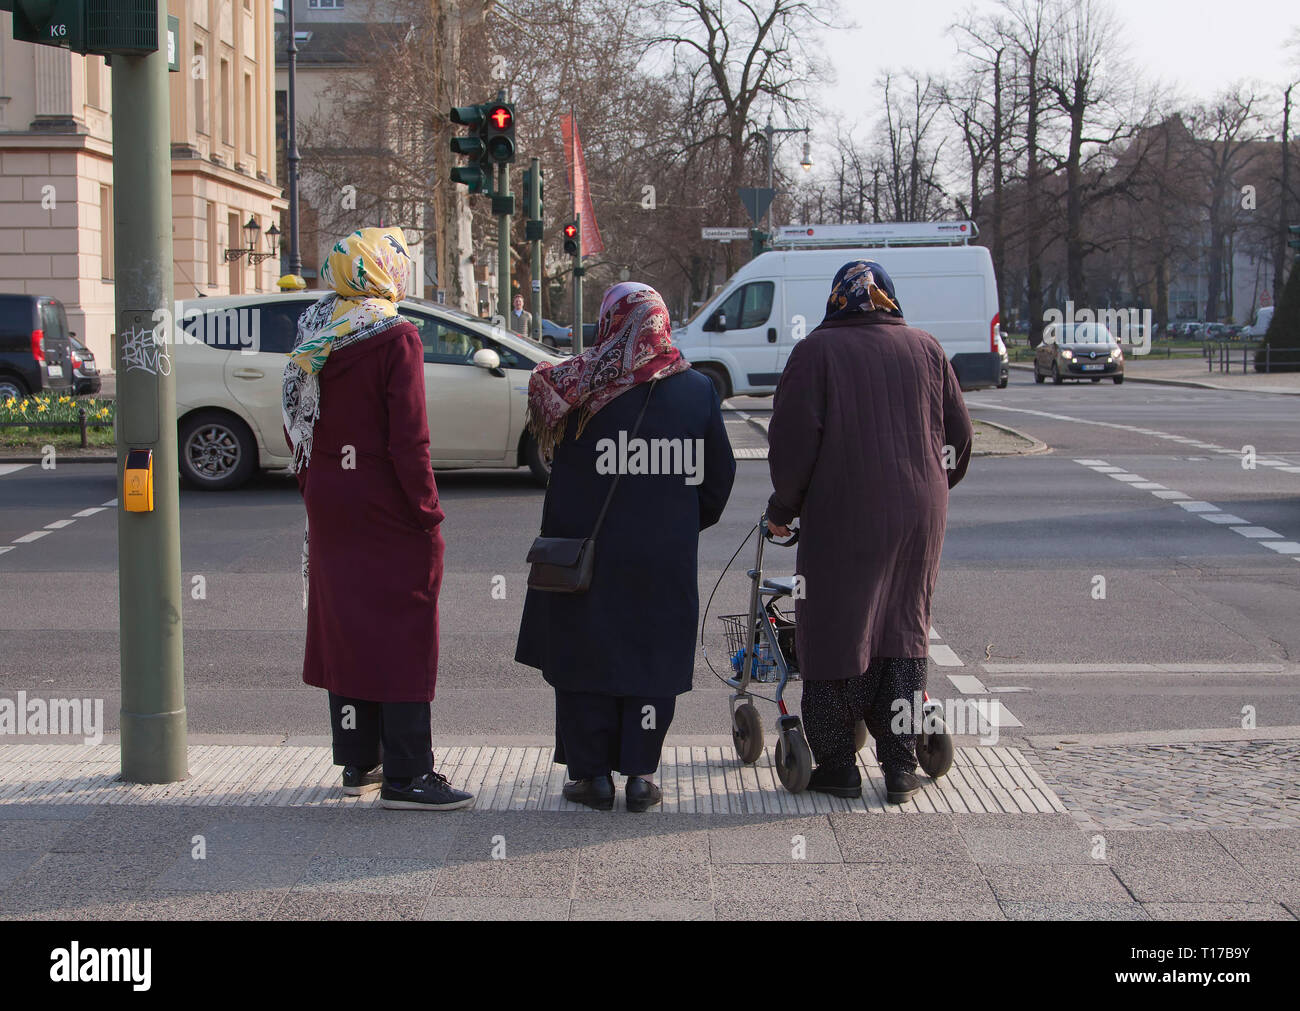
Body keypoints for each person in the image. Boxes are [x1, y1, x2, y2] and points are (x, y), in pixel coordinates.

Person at [515, 282, 736, 812]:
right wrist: (678, 525)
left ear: (610, 322)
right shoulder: (697, 390)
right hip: (663, 556)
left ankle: (590, 777)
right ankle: (641, 774)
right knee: (652, 658)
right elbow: (718, 480)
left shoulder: (574, 384)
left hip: (584, 552)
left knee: (585, 657)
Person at [765, 260, 972, 805]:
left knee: (839, 627)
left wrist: (783, 507)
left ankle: (838, 764)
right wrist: (930, 483)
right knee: (903, 627)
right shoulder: (928, 349)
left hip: (844, 509)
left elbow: (792, 446)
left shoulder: (815, 352)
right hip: (921, 510)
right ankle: (900, 765)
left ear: (837, 298)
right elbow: (959, 436)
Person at [282, 226, 473, 811]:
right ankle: (409, 776)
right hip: (387, 509)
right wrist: (426, 514)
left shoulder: (316, 328)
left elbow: (298, 425)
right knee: (403, 631)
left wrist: (316, 487)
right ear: (381, 270)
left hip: (331, 504)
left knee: (349, 627)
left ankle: (359, 760)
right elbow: (408, 440)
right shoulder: (394, 337)